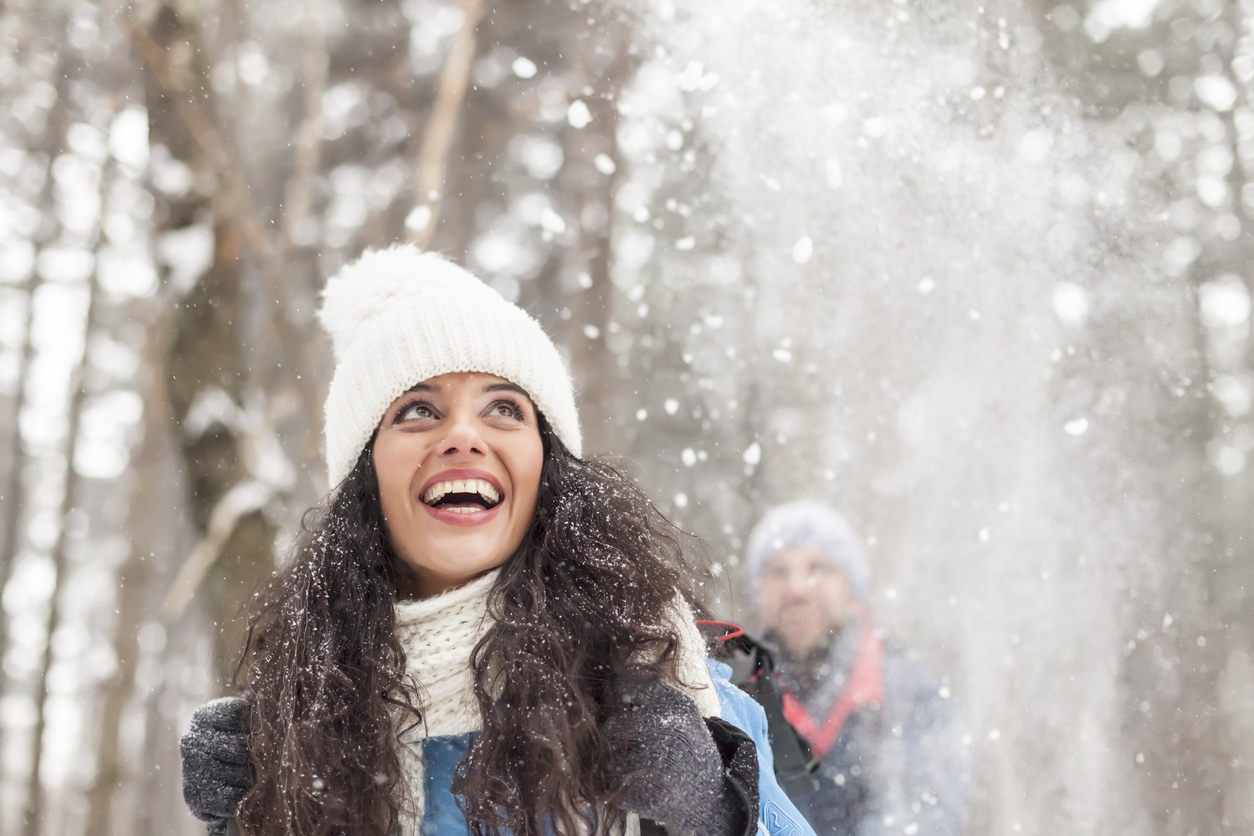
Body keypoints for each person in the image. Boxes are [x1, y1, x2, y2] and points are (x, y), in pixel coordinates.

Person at [178, 245, 816, 836]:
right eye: (418, 411)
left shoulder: (668, 678)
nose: (463, 436)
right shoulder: (302, 715)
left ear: (548, 467)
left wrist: (713, 811)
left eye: (505, 408)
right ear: (364, 477)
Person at [746, 501, 967, 836]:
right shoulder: (731, 691)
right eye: (778, 571)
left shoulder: (910, 694)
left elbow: (926, 816)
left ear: (852, 589)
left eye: (818, 568)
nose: (797, 589)